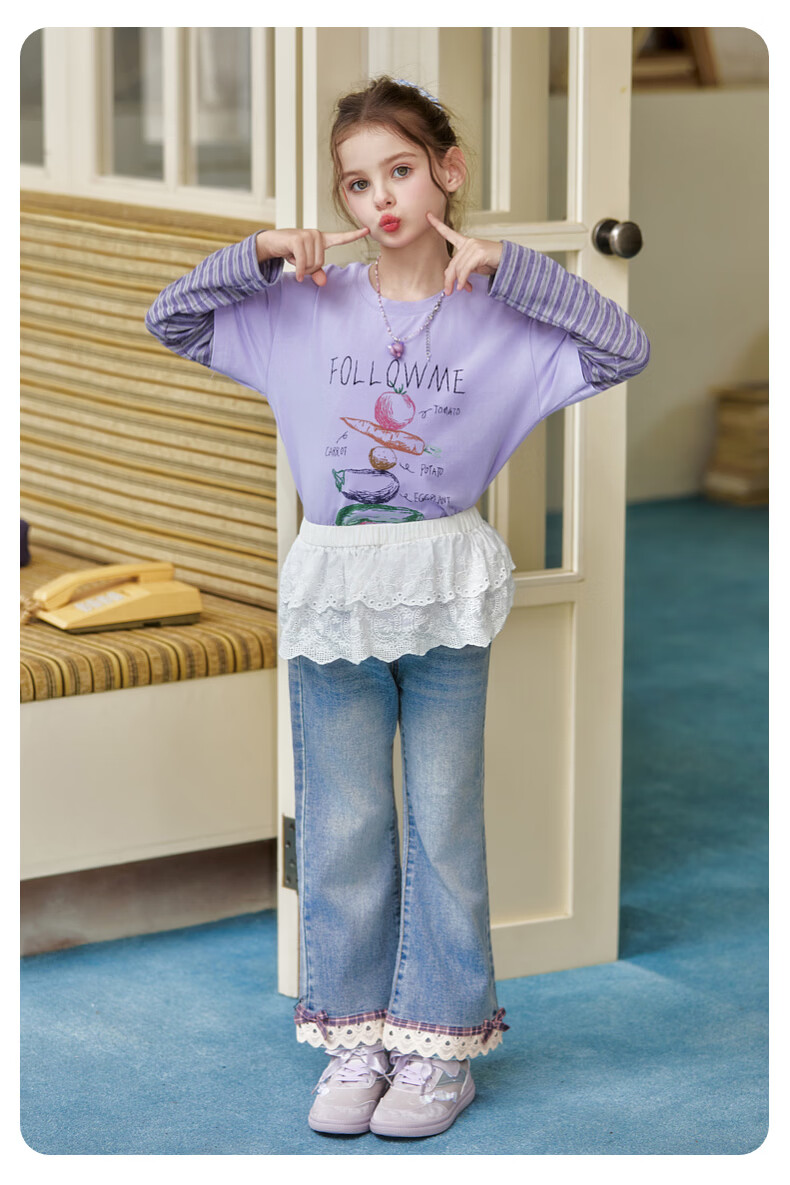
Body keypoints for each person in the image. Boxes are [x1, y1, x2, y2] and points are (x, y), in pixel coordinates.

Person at [145, 74, 650, 1140]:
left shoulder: (502, 316)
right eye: (356, 182)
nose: (380, 197)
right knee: (343, 824)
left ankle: (437, 1047)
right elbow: (172, 320)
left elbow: (622, 349)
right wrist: (259, 251)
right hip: (334, 589)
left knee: (443, 821)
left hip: (443, 591)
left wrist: (514, 265)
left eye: (402, 170)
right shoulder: (302, 305)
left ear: (447, 173)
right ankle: (355, 1036)